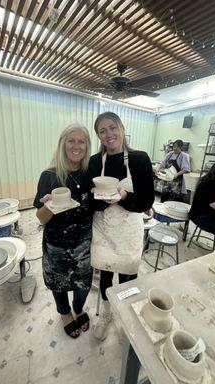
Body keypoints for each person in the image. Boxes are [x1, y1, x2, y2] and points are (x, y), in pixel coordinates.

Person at [87, 111, 154, 341]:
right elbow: (89, 200)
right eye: (102, 131)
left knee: (128, 276)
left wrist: (124, 197)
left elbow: (146, 202)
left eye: (112, 127)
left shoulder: (139, 159)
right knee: (105, 274)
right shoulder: (96, 161)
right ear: (99, 136)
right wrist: (101, 200)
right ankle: (106, 314)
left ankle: (126, 315)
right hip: (104, 229)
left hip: (129, 230)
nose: (109, 134)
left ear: (122, 128)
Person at [34, 123, 93, 339]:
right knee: (58, 283)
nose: (76, 146)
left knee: (83, 283)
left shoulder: (90, 173)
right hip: (56, 245)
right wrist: (49, 205)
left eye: (81, 141)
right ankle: (65, 312)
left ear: (87, 145)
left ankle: (78, 308)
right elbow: (40, 218)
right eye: (71, 141)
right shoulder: (49, 175)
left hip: (84, 244)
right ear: (63, 144)